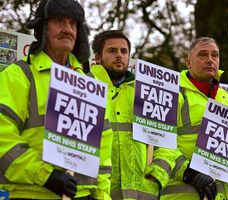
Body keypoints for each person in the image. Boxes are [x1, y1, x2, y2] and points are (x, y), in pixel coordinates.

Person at [0, 0, 112, 199]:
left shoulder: (90, 85)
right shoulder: (19, 75)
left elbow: (102, 149)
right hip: (32, 194)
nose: (68, 29)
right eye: (59, 21)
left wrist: (102, 196)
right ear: (42, 28)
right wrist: (45, 175)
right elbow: (3, 136)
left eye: (73, 24)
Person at [160, 37, 228, 200]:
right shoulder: (173, 92)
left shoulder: (226, 97)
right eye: (203, 55)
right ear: (188, 62)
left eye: (215, 55)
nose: (210, 60)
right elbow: (159, 141)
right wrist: (189, 172)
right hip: (185, 194)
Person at [90, 30, 176, 199]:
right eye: (112, 51)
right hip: (100, 193)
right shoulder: (85, 89)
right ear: (98, 58)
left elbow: (167, 143)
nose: (119, 56)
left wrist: (158, 175)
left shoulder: (147, 93)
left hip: (144, 194)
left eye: (124, 51)